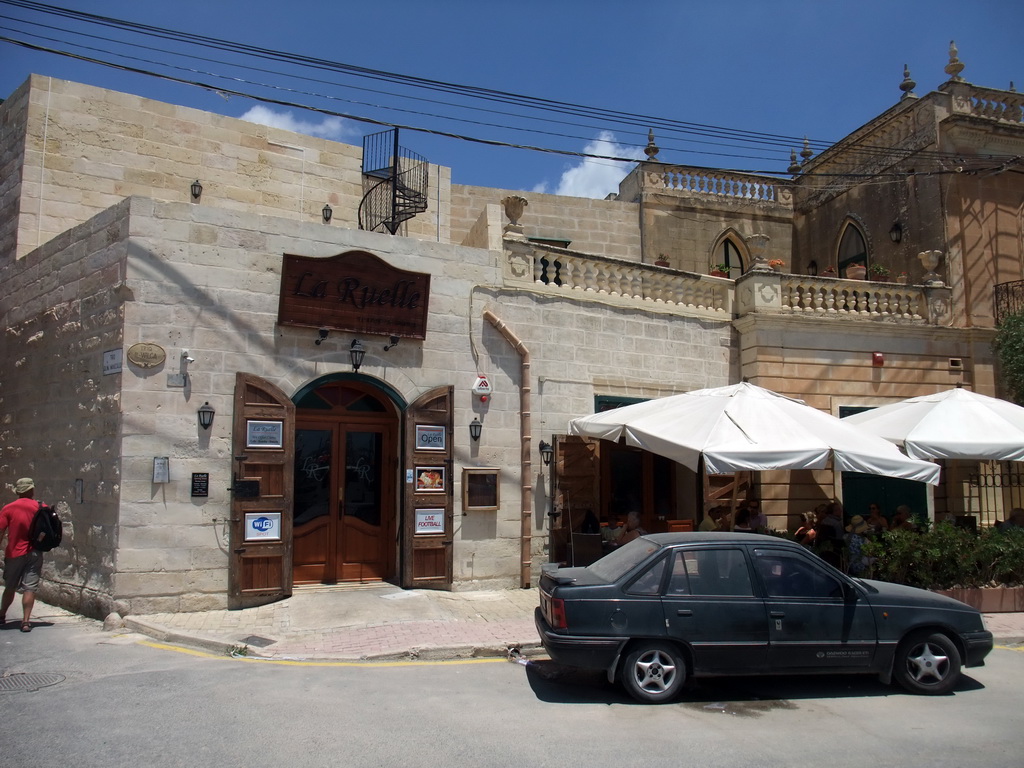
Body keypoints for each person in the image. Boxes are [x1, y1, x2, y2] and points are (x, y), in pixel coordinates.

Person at [0, 477, 45, 632]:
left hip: (14, 553)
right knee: (29, 588)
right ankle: (26, 621)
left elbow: (1, 530)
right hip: (34, 552)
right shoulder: (41, 507)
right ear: (31, 490)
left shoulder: (8, 508)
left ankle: (2, 615)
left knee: (10, 586)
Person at [814, 501, 845, 567]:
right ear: (835, 511)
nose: (841, 511)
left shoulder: (824, 521)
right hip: (834, 553)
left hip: (822, 551)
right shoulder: (836, 524)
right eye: (839, 509)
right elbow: (840, 540)